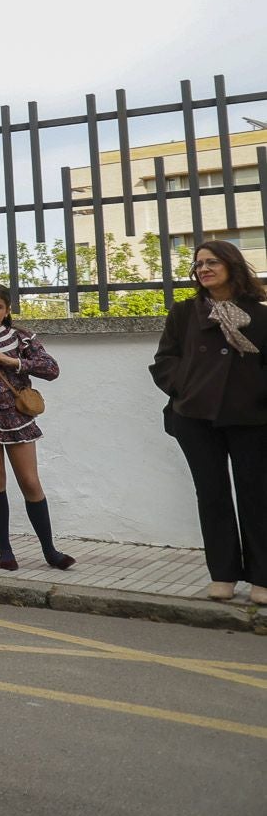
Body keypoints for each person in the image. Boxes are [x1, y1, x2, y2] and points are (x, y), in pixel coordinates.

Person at [150, 240, 267, 605]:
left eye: (211, 262)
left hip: (251, 416)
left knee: (256, 495)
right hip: (195, 416)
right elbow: (165, 359)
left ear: (232, 265)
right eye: (198, 264)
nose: (203, 269)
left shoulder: (260, 315)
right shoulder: (185, 313)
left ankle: (263, 578)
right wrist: (184, 388)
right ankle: (224, 574)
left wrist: (257, 392)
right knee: (212, 495)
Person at [0, 282, 71, 572]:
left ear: (7, 310)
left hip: (18, 418)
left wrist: (13, 362)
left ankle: (50, 550)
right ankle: (4, 550)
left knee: (30, 482)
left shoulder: (22, 338)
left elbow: (51, 369)